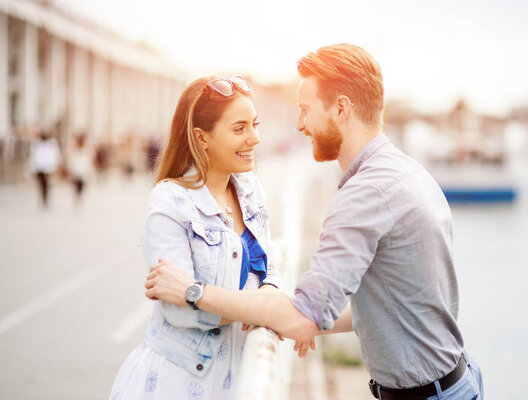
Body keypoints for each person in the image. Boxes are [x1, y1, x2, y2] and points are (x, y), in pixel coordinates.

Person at [145, 44, 484, 400]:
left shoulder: (363, 194)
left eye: (305, 110)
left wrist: (193, 291)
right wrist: (294, 317)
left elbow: (300, 319)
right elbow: (393, 305)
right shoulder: (407, 172)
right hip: (456, 381)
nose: (299, 124)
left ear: (340, 108)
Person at [109, 75, 281, 400]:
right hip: (179, 382)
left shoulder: (252, 192)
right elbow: (179, 310)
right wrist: (263, 307)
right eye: (239, 128)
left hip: (239, 377)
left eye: (255, 124)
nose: (255, 138)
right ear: (202, 138)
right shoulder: (170, 201)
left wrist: (263, 298)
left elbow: (270, 271)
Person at [30, 131, 61, 208]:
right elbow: (33, 155)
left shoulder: (52, 143)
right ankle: (42, 198)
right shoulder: (36, 143)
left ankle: (45, 198)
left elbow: (56, 155)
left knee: (46, 184)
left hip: (48, 168)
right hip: (39, 167)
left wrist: (55, 166)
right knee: (41, 184)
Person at [67, 133, 94, 205]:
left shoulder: (85, 150)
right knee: (76, 185)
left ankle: (79, 196)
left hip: (83, 171)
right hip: (76, 171)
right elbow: (72, 160)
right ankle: (78, 196)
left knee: (82, 186)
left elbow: (88, 160)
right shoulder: (74, 150)